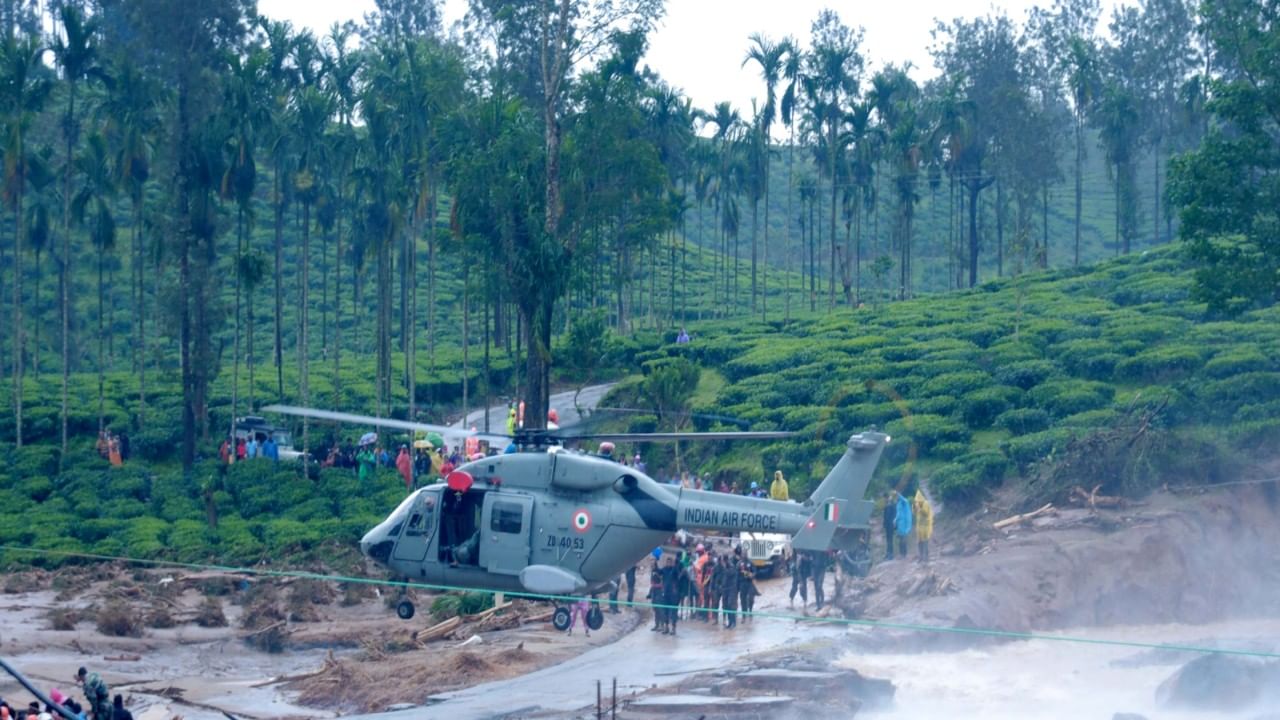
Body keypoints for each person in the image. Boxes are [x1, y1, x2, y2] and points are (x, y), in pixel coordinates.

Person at [660, 557, 683, 635]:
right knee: (665, 611)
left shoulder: (675, 570)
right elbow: (658, 572)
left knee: (673, 612)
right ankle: (666, 627)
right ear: (666, 562)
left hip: (674, 594)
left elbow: (679, 576)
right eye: (668, 562)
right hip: (666, 593)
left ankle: (673, 628)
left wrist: (677, 565)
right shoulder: (664, 570)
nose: (669, 563)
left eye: (670, 562)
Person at [718, 555, 739, 629]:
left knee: (731, 606)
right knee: (726, 606)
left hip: (732, 589)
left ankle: (733, 623)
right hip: (725, 589)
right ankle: (730, 622)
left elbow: (729, 574)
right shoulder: (724, 567)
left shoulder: (731, 566)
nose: (722, 563)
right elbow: (721, 578)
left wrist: (724, 568)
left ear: (725, 560)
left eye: (723, 561)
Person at [914, 489, 934, 563]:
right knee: (919, 543)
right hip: (919, 528)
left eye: (918, 501)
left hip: (925, 527)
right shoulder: (918, 504)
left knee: (925, 542)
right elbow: (915, 513)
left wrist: (920, 508)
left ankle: (926, 557)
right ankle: (921, 557)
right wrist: (915, 508)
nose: (917, 502)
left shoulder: (926, 503)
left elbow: (926, 513)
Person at [737, 554, 759, 621]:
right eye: (743, 554)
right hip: (742, 583)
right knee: (743, 599)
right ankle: (744, 615)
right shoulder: (739, 563)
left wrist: (752, 575)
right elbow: (736, 574)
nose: (744, 556)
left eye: (745, 554)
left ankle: (750, 611)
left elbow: (755, 571)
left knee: (751, 598)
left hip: (750, 583)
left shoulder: (751, 563)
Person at [647, 561, 666, 632]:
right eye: (651, 564)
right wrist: (650, 593)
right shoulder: (652, 572)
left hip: (659, 592)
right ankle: (657, 625)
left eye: (652, 564)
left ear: (655, 565)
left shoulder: (659, 572)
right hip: (654, 592)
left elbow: (662, 582)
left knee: (660, 609)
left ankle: (662, 625)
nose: (651, 566)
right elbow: (652, 583)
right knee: (655, 609)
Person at [894, 490, 914, 559]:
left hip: (905, 523)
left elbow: (904, 500)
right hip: (899, 524)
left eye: (897, 496)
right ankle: (901, 554)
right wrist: (895, 520)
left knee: (903, 539)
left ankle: (904, 554)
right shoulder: (898, 504)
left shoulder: (904, 502)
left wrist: (898, 494)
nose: (896, 498)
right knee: (900, 540)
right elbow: (898, 514)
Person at [882, 491, 897, 560]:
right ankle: (888, 553)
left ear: (886, 497)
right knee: (888, 540)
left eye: (884, 498)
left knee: (890, 540)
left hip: (891, 525)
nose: (884, 500)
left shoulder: (892, 504)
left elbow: (895, 514)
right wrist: (884, 524)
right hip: (887, 525)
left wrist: (894, 524)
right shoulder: (886, 505)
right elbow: (884, 516)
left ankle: (891, 554)